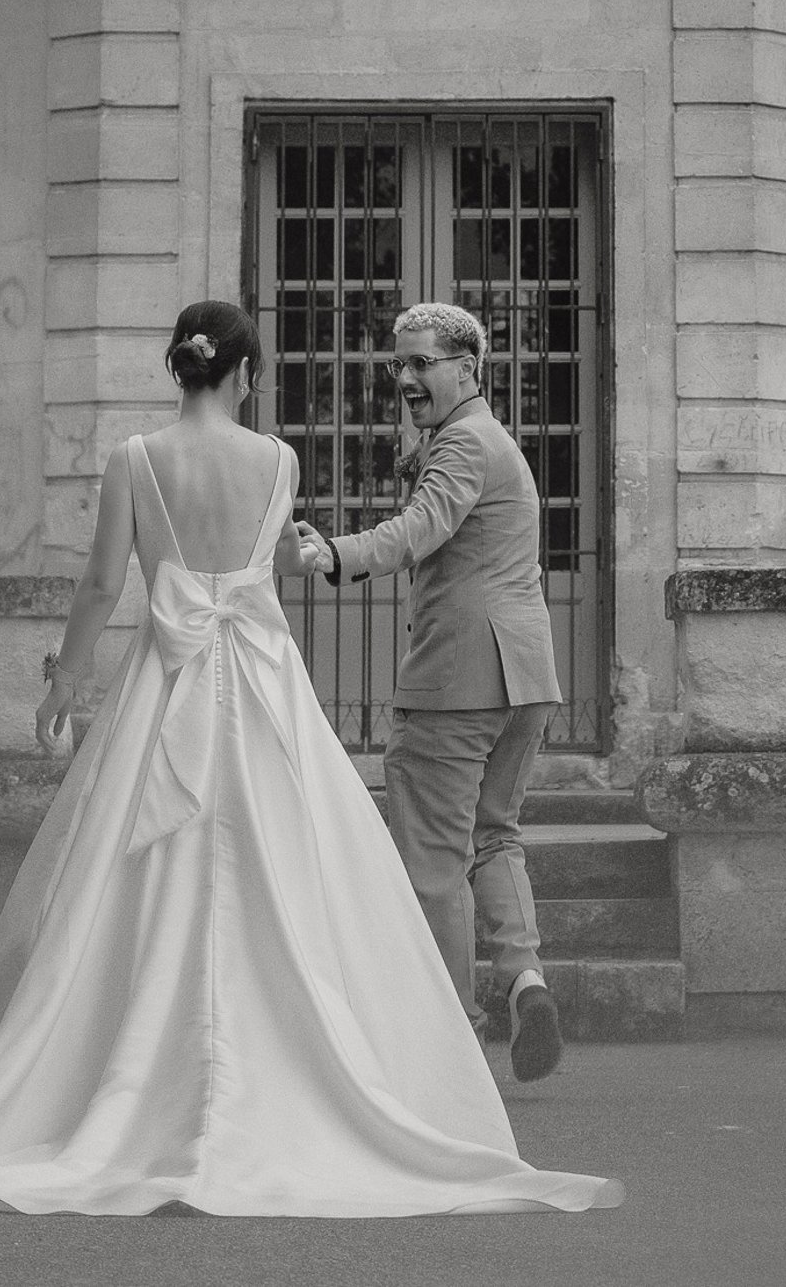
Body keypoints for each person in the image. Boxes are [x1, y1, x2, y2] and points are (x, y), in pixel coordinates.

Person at [0, 300, 618, 1219]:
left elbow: (101, 582)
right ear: (247, 374)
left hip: (175, 677)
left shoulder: (134, 458)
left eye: (416, 365)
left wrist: (66, 680)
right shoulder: (279, 459)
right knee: (307, 865)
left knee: (135, 876)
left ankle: (130, 1071)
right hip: (277, 678)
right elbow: (273, 567)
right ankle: (456, 1015)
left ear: (180, 369)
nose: (404, 381)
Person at [297, 300, 567, 1085]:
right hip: (527, 678)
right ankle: (525, 980)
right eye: (399, 363)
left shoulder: (463, 443)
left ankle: (449, 1049)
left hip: (457, 682)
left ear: (468, 368)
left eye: (422, 362)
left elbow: (419, 527)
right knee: (495, 835)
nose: (406, 377)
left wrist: (332, 552)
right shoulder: (493, 441)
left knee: (434, 864)